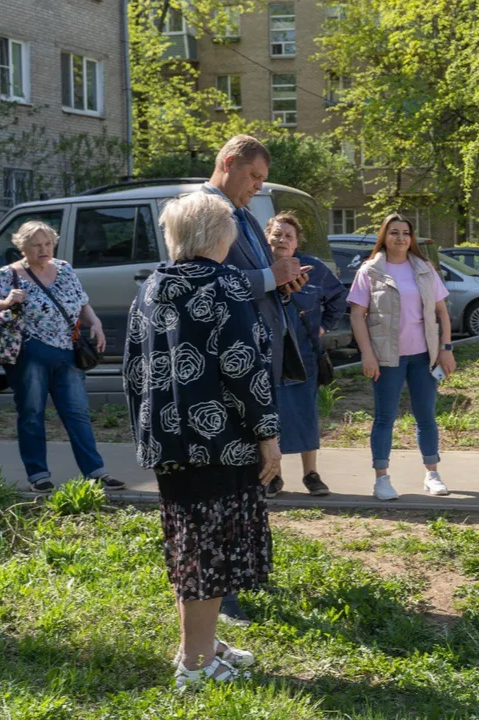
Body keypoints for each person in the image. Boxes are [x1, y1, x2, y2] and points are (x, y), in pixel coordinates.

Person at [123, 192, 281, 686]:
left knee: (189, 547)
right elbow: (242, 365)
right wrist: (268, 435)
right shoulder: (226, 283)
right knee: (209, 552)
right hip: (222, 441)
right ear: (220, 235)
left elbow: (132, 370)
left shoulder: (150, 287)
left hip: (168, 442)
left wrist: (148, 435)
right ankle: (195, 665)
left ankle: (200, 645)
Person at [199, 134, 306, 625]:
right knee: (226, 479)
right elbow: (207, 284)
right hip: (226, 368)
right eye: (254, 177)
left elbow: (253, 281)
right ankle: (218, 592)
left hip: (255, 359)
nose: (258, 188)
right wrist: (270, 276)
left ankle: (237, 573)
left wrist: (281, 279)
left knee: (248, 476)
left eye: (263, 179)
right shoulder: (204, 209)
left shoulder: (239, 213)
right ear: (227, 163)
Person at [0, 221, 125, 494]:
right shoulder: (8, 275)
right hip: (30, 355)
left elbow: (80, 301)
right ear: (22, 247)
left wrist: (94, 323)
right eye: (36, 245)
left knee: (78, 414)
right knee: (31, 413)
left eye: (48, 243)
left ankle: (96, 473)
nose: (44, 249)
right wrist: (4, 302)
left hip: (68, 354)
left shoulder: (64, 269)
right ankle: (38, 475)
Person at [348, 213, 456, 501]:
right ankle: (381, 479)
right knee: (385, 418)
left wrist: (445, 349)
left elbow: (442, 312)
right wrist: (367, 354)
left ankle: (432, 473)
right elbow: (358, 315)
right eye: (394, 232)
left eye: (405, 233)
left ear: (412, 237)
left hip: (424, 357)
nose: (400, 238)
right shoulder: (370, 271)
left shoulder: (424, 268)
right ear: (384, 236)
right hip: (386, 358)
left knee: (426, 417)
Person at [264, 212, 348, 498]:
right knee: (269, 415)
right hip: (266, 358)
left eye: (289, 235)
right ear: (267, 237)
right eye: (277, 234)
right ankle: (273, 476)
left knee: (306, 415)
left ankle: (311, 474)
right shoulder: (260, 269)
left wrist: (324, 326)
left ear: (297, 242)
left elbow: (338, 298)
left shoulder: (313, 269)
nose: (282, 239)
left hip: (304, 356)